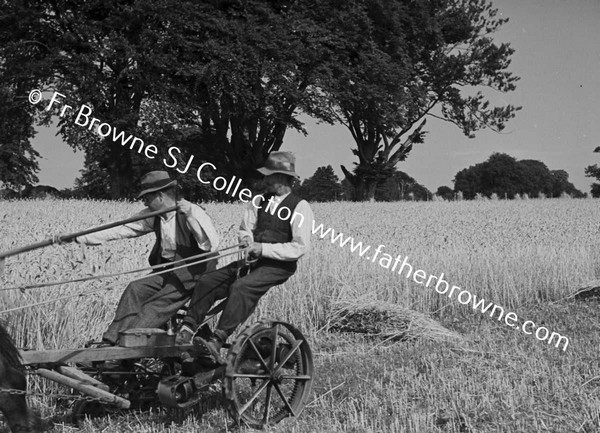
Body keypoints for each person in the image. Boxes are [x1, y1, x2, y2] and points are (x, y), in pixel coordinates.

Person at [176, 151, 313, 365]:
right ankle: (187, 329)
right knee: (208, 280)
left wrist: (263, 249)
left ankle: (217, 338)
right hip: (251, 260)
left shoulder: (301, 207)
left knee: (241, 287)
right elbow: (245, 229)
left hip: (278, 266)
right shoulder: (258, 201)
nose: (265, 180)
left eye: (270, 176)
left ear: (283, 178)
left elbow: (299, 247)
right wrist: (247, 242)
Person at [73, 170, 219, 345]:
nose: (144, 202)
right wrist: (79, 237)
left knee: (155, 306)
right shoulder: (153, 216)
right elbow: (121, 228)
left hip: (192, 274)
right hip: (167, 272)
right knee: (135, 289)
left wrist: (190, 218)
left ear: (160, 196)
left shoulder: (193, 211)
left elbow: (210, 245)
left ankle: (126, 346)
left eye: (147, 197)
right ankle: (110, 341)